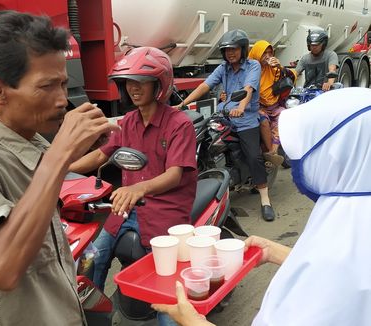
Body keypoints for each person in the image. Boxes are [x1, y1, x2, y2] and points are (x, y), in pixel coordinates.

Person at [0, 12, 119, 325]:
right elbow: (1, 269)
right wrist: (58, 156)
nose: (62, 100)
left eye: (63, 83)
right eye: (46, 86)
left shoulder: (35, 148)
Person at [153, 87, 371, 325]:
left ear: (336, 155)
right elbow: (333, 275)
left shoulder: (349, 234)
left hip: (246, 121)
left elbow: (337, 270)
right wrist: (273, 251)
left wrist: (193, 321)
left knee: (254, 157)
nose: (297, 160)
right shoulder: (350, 210)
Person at [69, 46, 198, 291]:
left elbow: (174, 175)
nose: (133, 88)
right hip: (125, 210)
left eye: (141, 81)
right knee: (90, 260)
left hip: (164, 212)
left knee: (166, 286)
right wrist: (60, 168)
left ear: (159, 84)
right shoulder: (128, 121)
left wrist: (138, 188)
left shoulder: (179, 124)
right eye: (128, 82)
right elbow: (100, 155)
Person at [178, 29, 275, 222]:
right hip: (224, 115)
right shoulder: (223, 68)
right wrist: (181, 104)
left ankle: (265, 199)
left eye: (234, 49)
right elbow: (205, 86)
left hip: (245, 118)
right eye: (227, 50)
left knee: (254, 156)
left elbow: (248, 88)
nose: (230, 53)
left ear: (243, 49)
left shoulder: (253, 66)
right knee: (204, 141)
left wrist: (241, 106)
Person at [248, 40, 297, 164]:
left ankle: (273, 152)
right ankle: (270, 151)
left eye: (270, 53)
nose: (268, 56)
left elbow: (292, 76)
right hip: (257, 106)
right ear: (257, 53)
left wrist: (280, 68)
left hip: (274, 105)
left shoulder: (274, 68)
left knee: (284, 117)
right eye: (264, 53)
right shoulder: (250, 69)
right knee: (263, 120)